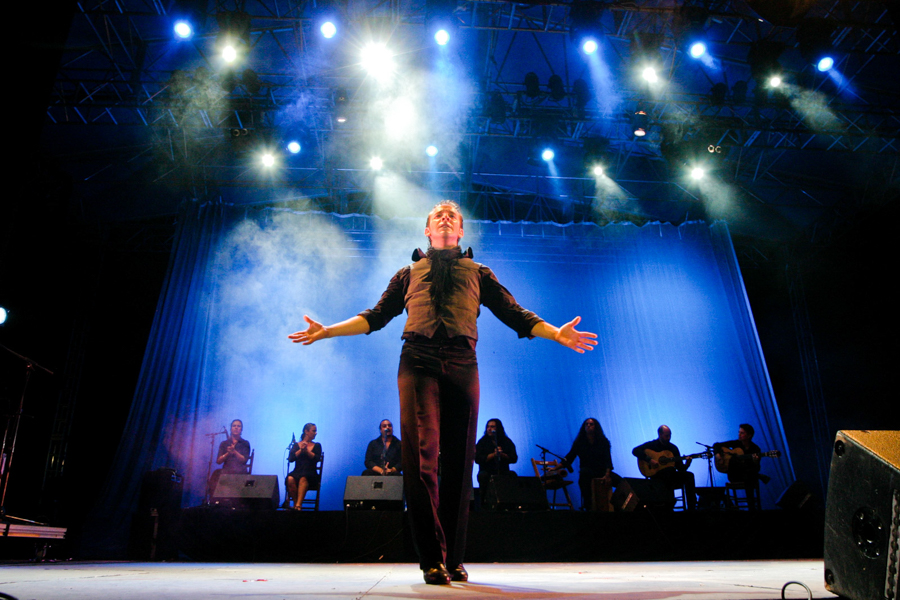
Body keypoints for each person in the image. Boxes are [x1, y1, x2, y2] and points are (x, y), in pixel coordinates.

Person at [289, 201, 597, 584]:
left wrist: (556, 333)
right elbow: (375, 316)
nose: (446, 215)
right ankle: (431, 558)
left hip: (463, 361)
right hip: (417, 359)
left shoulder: (479, 272)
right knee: (421, 461)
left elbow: (517, 314)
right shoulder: (407, 273)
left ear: (462, 232)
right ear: (427, 230)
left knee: (459, 463)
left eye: (453, 214)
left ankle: (453, 557)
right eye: (438, 214)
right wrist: (328, 330)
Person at [631, 425, 696, 510]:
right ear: (660, 434)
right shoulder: (652, 445)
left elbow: (681, 468)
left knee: (689, 475)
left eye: (670, 435)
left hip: (671, 476)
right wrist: (650, 460)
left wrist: (687, 464)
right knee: (666, 473)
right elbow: (635, 451)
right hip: (657, 476)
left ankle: (692, 508)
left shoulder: (673, 448)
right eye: (666, 436)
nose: (669, 438)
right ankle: (668, 505)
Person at [562, 418, 619, 510]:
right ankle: (588, 508)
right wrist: (557, 467)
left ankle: (618, 507)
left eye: (591, 424)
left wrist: (607, 474)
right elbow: (570, 456)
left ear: (596, 427)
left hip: (601, 471)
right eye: (586, 424)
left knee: (621, 483)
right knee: (584, 482)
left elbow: (608, 459)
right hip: (587, 472)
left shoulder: (603, 441)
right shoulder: (579, 442)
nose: (588, 426)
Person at [474, 418, 518, 499]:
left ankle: (511, 503)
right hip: (487, 471)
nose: (489, 429)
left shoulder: (506, 441)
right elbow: (477, 459)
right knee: (483, 476)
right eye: (488, 427)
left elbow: (514, 458)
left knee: (512, 475)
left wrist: (503, 455)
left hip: (503, 471)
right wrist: (493, 455)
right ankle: (484, 504)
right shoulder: (482, 442)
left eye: (492, 427)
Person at [208, 419, 251, 496]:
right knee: (216, 474)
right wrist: (227, 453)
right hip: (226, 471)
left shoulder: (245, 443)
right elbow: (218, 461)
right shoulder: (224, 443)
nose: (236, 427)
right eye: (234, 426)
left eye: (238, 426)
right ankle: (212, 499)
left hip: (240, 471)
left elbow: (244, 460)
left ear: (241, 430)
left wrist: (234, 451)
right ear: (231, 428)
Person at [286, 423, 322, 510]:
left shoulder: (317, 445)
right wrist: (301, 450)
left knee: (303, 478)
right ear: (306, 431)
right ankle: (295, 503)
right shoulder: (296, 445)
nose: (315, 433)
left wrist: (306, 451)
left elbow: (316, 458)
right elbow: (291, 459)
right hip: (297, 471)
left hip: (311, 473)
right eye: (313, 431)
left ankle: (298, 506)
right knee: (290, 479)